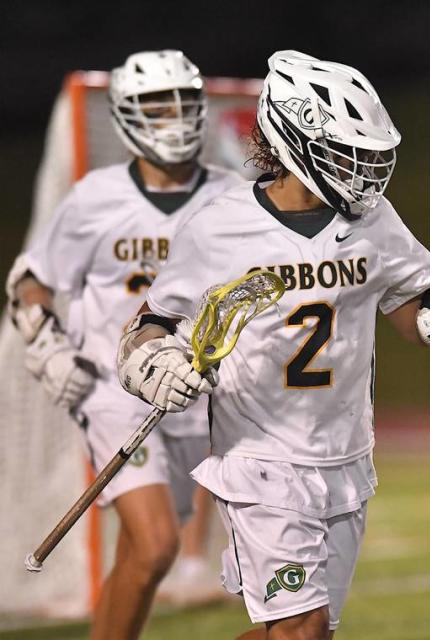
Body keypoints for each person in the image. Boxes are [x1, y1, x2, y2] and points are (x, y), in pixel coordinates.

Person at [116, 50, 430, 640]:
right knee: (302, 630)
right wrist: (153, 362)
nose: (366, 170)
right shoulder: (219, 227)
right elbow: (150, 324)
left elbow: (421, 319)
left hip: (343, 456)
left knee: (299, 634)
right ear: (295, 143)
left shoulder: (375, 222)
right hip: (259, 458)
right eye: (349, 153)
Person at [5, 50, 244, 639]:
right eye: (156, 107)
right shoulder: (95, 197)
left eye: (184, 105)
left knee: (140, 557)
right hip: (117, 395)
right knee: (159, 542)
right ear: (126, 116)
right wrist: (45, 345)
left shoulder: (235, 197)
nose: (172, 119)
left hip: (197, 396)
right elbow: (32, 279)